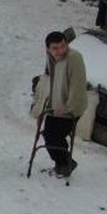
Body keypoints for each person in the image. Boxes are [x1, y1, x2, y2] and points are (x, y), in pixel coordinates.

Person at [34, 30, 88, 178]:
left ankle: (64, 164)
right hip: (56, 104)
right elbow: (53, 83)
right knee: (48, 134)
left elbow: (77, 86)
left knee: (55, 136)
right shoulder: (52, 58)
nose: (60, 51)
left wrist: (67, 108)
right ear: (48, 49)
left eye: (63, 46)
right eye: (55, 48)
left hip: (73, 106)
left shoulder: (74, 58)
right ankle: (63, 162)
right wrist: (47, 108)